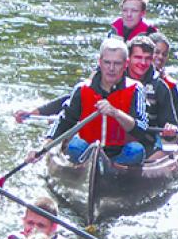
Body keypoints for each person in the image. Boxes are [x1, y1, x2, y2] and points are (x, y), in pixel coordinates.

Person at [51, 36, 149, 165]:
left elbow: (141, 128)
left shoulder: (136, 89)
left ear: (125, 64)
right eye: (107, 62)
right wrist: (46, 143)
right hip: (87, 148)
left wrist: (115, 113)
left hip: (120, 152)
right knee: (74, 146)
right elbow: (65, 120)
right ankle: (88, 166)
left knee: (137, 151)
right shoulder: (82, 88)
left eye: (117, 63)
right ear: (100, 62)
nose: (111, 68)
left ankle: (111, 168)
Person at [127, 35, 178, 145]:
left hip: (149, 137)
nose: (142, 63)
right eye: (138, 57)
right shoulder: (115, 79)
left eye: (147, 58)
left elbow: (173, 124)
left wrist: (170, 130)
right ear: (128, 59)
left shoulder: (162, 87)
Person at [150, 34, 178, 134]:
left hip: (160, 132)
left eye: (164, 54)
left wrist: (171, 128)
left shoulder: (170, 85)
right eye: (156, 52)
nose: (160, 57)